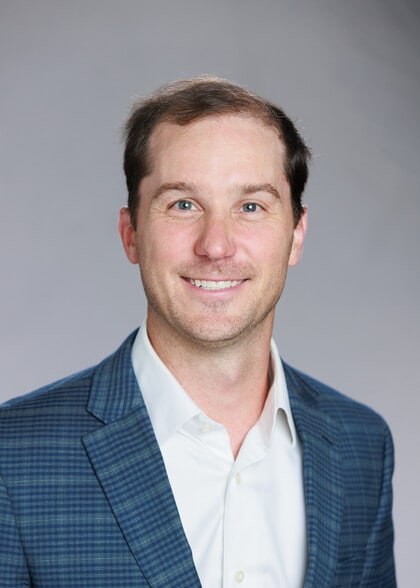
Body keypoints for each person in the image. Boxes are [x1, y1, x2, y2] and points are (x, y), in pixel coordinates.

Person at [0, 77, 396, 587]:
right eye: (183, 204)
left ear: (296, 235)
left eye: (251, 206)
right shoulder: (13, 455)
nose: (216, 245)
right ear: (131, 233)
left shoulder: (362, 445)